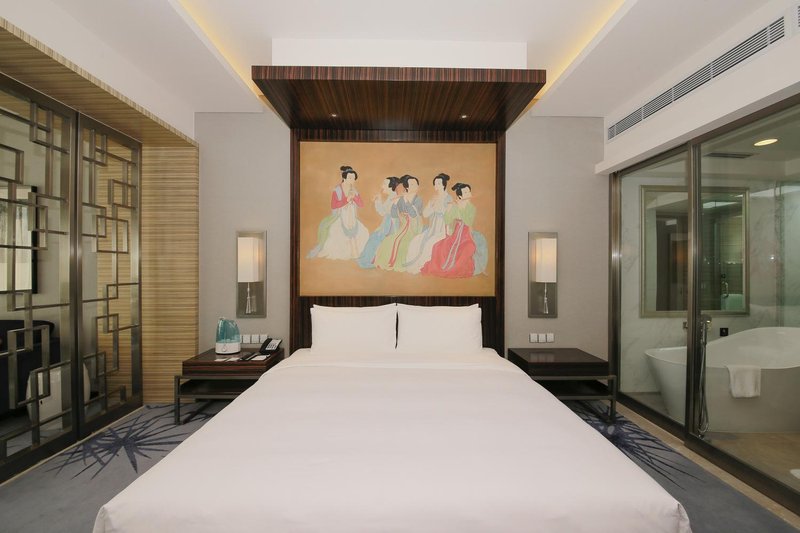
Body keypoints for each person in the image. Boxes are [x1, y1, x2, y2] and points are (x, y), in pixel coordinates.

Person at [421, 182, 488, 278]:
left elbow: (468, 222)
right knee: (437, 247)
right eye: (466, 192)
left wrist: (460, 208)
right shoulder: (454, 206)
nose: (469, 194)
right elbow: (447, 220)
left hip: (467, 236)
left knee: (467, 249)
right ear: (460, 196)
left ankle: (454, 270)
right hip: (455, 235)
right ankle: (441, 268)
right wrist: (449, 209)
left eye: (469, 192)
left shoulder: (471, 208)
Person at [307, 165, 369, 260]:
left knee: (362, 233)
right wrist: (346, 200)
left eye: (354, 178)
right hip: (340, 216)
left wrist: (355, 198)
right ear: (344, 178)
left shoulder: (354, 190)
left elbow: (361, 204)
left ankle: (355, 252)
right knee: (335, 233)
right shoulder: (337, 190)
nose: (352, 180)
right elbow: (334, 205)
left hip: (352, 217)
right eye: (350, 178)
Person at [403, 173, 452, 274]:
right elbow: (425, 214)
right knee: (415, 241)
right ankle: (414, 265)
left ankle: (422, 266)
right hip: (432, 229)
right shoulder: (433, 198)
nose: (436, 186)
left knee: (430, 244)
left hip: (443, 229)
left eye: (439, 183)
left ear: (444, 184)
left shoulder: (448, 199)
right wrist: (431, 206)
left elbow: (449, 216)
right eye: (435, 184)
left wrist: (439, 208)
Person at [373, 174, 423, 271]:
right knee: (388, 241)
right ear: (406, 187)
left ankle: (399, 264)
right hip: (404, 226)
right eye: (412, 184)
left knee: (402, 242)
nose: (416, 186)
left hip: (415, 226)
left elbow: (413, 215)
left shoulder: (418, 199)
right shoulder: (401, 199)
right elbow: (394, 215)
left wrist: (406, 200)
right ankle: (387, 262)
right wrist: (395, 204)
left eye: (416, 184)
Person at [357, 176, 401, 268]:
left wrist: (379, 200)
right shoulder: (391, 197)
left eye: (384, 184)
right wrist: (378, 200)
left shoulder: (395, 198)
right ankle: (366, 259)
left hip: (391, 226)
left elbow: (385, 212)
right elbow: (383, 212)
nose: (382, 186)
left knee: (375, 238)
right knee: (374, 237)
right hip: (387, 223)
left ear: (391, 186)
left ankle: (367, 260)